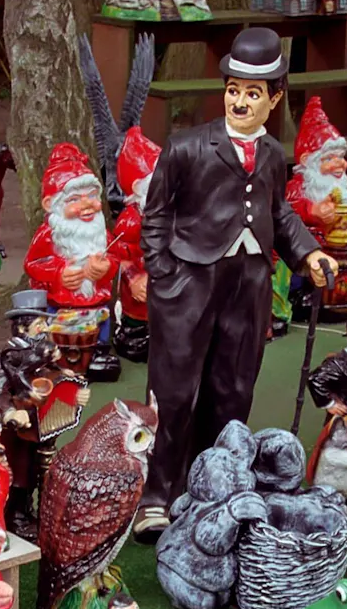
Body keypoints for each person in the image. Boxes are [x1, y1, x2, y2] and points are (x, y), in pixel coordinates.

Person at [133, 27, 335, 540]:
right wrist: (164, 274)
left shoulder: (271, 153)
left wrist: (308, 252)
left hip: (248, 284)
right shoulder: (186, 147)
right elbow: (155, 216)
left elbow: (278, 212)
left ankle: (212, 486)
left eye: (252, 93)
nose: (240, 102)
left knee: (233, 389)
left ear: (274, 99)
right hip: (189, 283)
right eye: (233, 90)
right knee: (174, 391)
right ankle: (157, 495)